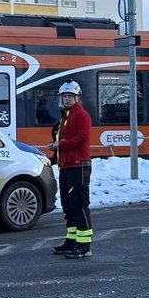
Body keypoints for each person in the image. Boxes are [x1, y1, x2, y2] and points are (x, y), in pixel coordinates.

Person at [48, 80, 93, 258]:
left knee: (79, 205)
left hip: (78, 166)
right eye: (64, 96)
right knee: (68, 206)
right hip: (66, 166)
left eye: (70, 96)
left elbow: (81, 139)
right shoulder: (64, 118)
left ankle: (84, 245)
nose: (67, 99)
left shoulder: (81, 115)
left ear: (77, 98)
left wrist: (60, 144)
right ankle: (71, 240)